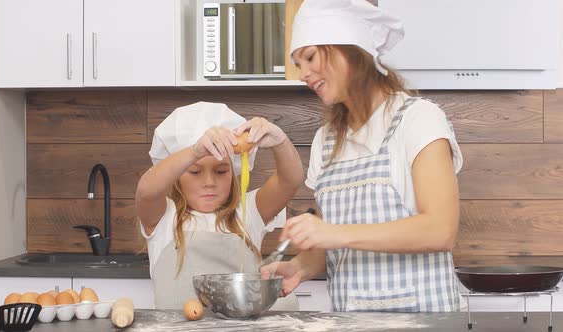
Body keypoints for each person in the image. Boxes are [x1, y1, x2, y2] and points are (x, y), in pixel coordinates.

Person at [261, 0, 463, 312]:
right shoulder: (325, 140)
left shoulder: (418, 119)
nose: (303, 73)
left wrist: (332, 233)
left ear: (349, 49)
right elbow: (333, 241)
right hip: (351, 321)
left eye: (311, 56)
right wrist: (301, 266)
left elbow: (440, 230)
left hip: (424, 320)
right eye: (298, 64)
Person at [137, 101, 303, 310]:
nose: (209, 182)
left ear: (233, 173)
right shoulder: (163, 217)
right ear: (177, 176)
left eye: (221, 171)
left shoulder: (248, 212)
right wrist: (195, 151)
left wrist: (280, 141)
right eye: (195, 171)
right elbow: (146, 191)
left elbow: (290, 181)